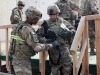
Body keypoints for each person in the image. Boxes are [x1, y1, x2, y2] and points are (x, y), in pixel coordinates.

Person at [9, 6, 59, 75]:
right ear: (32, 18)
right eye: (37, 18)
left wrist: (46, 41)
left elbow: (29, 40)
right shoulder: (27, 29)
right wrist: (52, 45)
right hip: (23, 63)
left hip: (17, 60)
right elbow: (37, 48)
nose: (38, 20)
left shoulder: (20, 26)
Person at [37, 4, 75, 75]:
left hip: (63, 48)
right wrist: (47, 41)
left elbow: (73, 29)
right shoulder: (46, 24)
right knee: (54, 69)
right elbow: (38, 37)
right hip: (53, 50)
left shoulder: (62, 21)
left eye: (53, 14)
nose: (52, 16)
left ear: (57, 13)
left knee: (67, 67)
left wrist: (69, 32)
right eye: (50, 15)